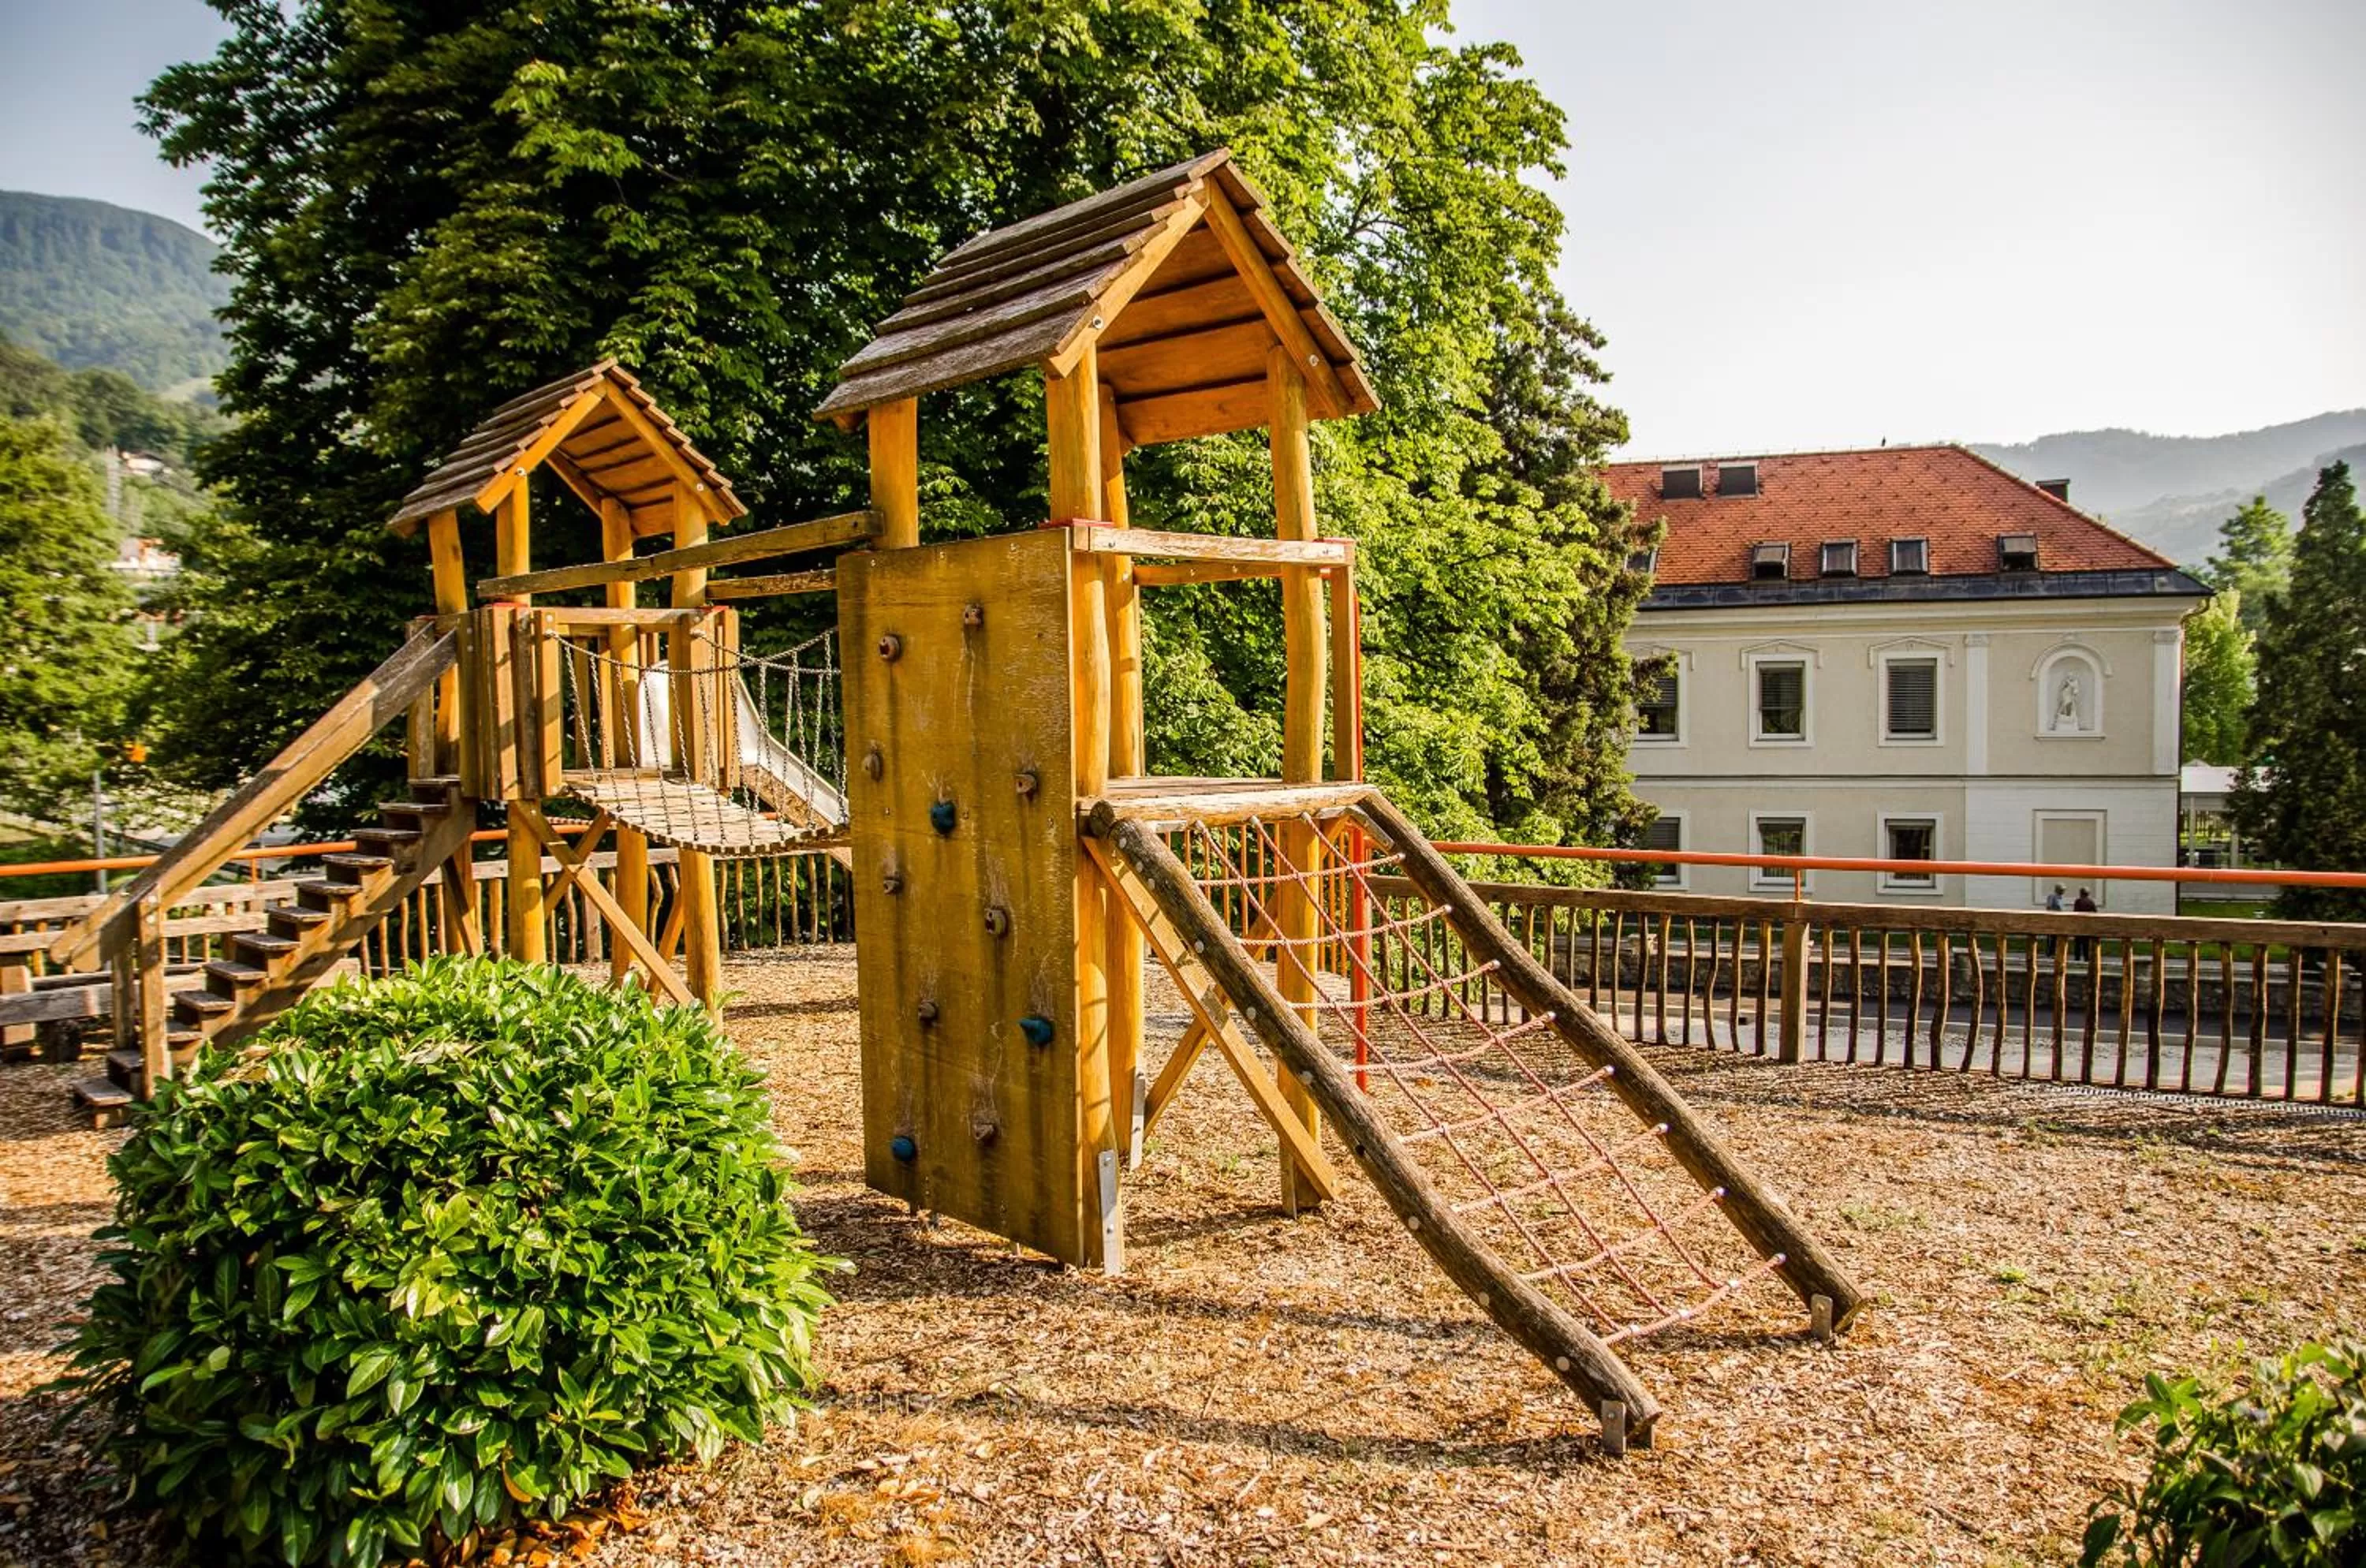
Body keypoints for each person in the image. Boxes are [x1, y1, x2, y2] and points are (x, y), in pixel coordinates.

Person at [2072, 887, 2097, 960]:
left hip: (2079, 925)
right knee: (2086, 943)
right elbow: (2095, 912)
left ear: (2081, 893)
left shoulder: (2078, 901)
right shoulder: (2091, 902)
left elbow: (2075, 912)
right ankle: (2086, 957)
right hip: (2087, 925)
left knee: (2078, 943)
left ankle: (2077, 958)